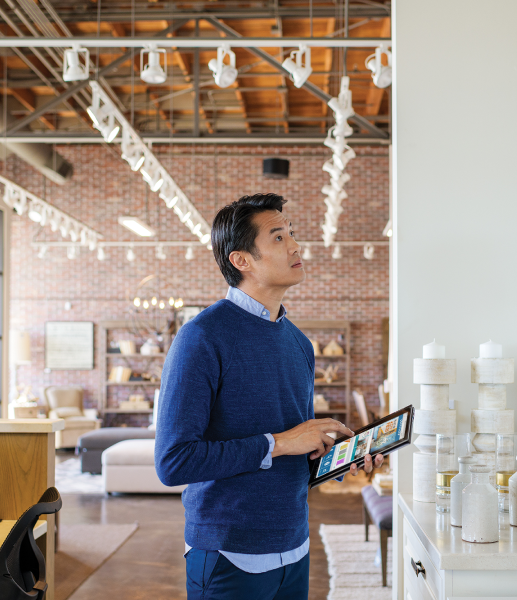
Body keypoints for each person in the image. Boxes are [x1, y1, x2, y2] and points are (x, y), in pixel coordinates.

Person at [155, 193, 384, 600]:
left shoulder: (299, 343)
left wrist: (339, 459)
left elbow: (295, 455)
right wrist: (280, 443)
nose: (296, 245)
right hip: (228, 554)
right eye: (278, 238)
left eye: (291, 234)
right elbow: (174, 462)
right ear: (241, 260)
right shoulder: (201, 338)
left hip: (294, 548)